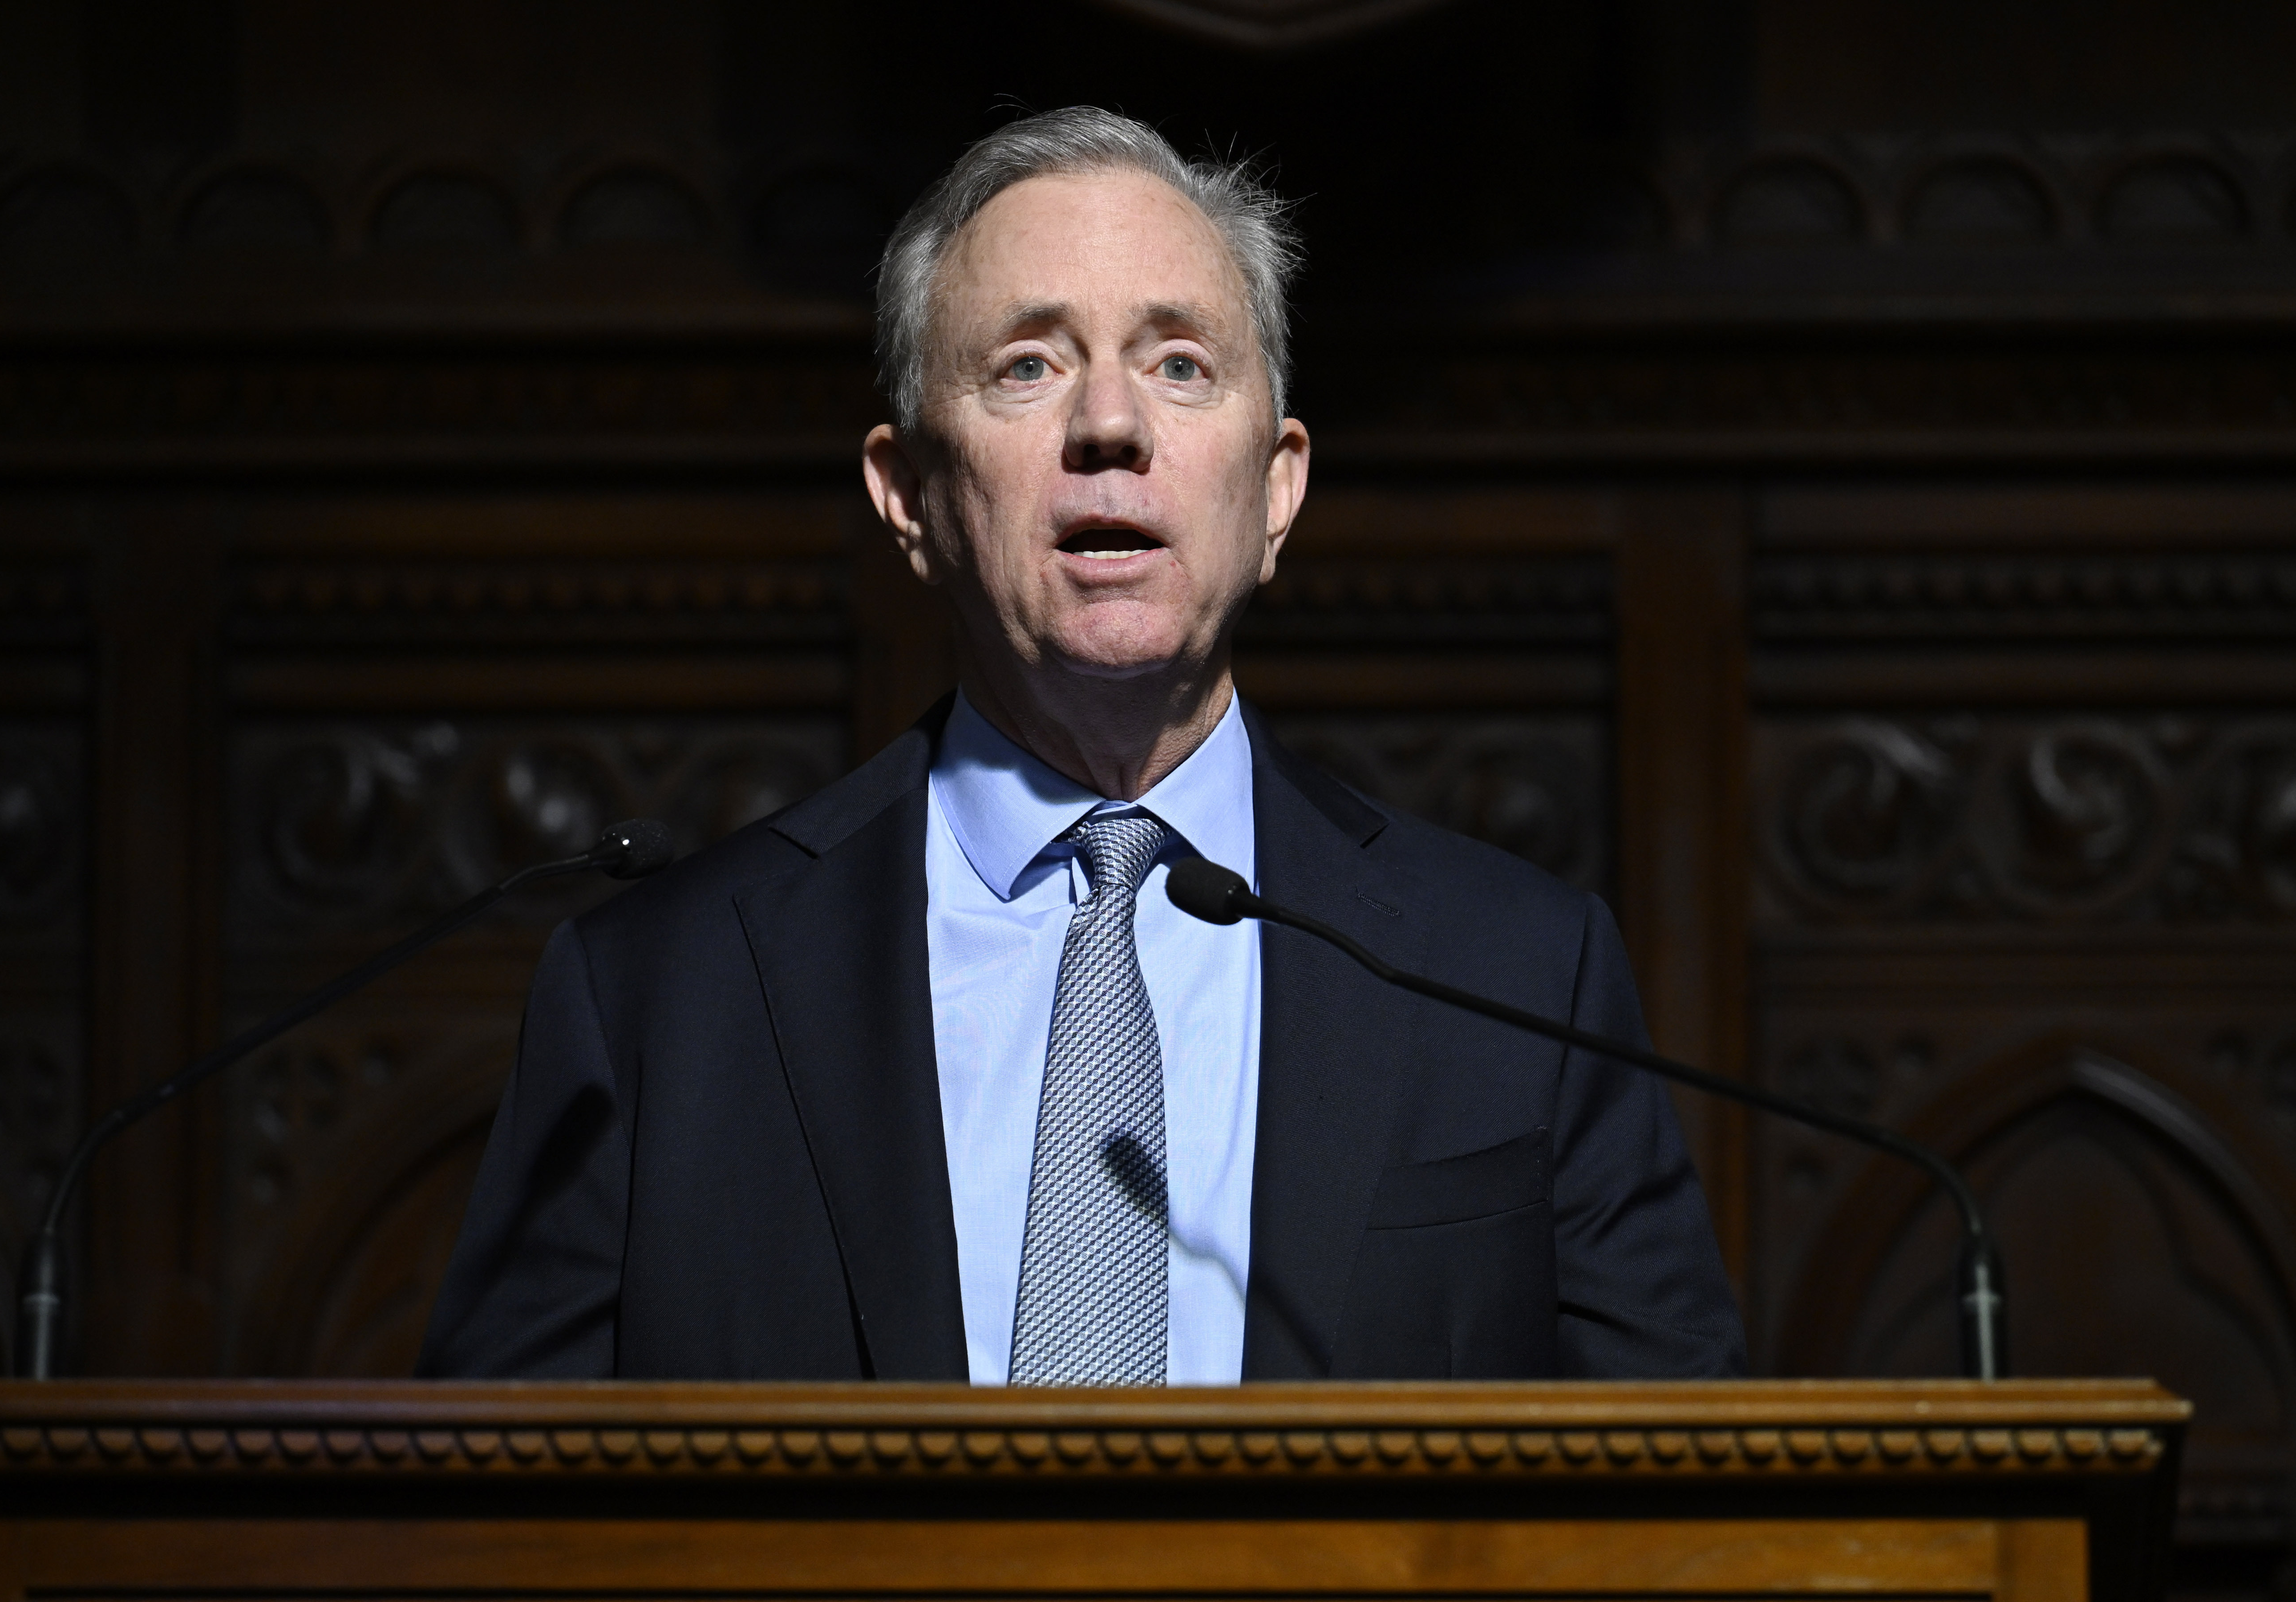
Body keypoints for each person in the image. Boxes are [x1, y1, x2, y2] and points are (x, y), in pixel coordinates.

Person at [418, 107, 1745, 1383]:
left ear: (1276, 489)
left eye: (1180, 364)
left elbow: (1680, 1479)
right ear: (912, 496)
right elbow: (490, 1496)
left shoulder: (1518, 974)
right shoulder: (656, 995)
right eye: (1028, 366)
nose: (1111, 426)